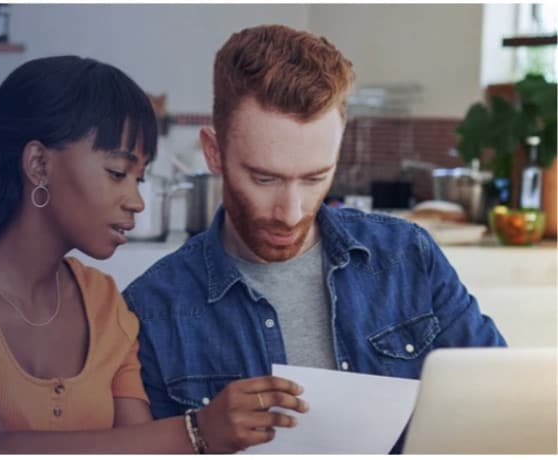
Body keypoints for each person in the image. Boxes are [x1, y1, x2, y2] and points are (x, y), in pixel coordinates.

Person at [0, 56, 307, 454]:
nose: (136, 200)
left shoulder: (104, 301)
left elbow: (137, 447)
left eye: (139, 178)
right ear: (39, 164)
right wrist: (197, 432)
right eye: (118, 172)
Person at [122, 25, 506, 450]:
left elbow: (499, 402)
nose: (291, 212)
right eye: (264, 178)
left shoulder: (409, 256)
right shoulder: (151, 309)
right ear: (214, 152)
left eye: (315, 178)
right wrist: (200, 435)